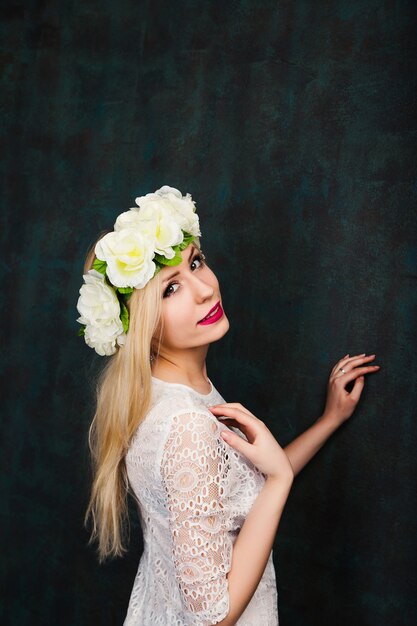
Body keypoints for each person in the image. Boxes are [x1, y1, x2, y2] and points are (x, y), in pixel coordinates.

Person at [76, 185, 381, 626]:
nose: (203, 289)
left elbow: (239, 490)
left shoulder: (169, 395)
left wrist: (329, 420)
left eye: (196, 262)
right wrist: (278, 481)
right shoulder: (186, 425)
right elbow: (214, 618)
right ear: (141, 324)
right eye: (171, 289)